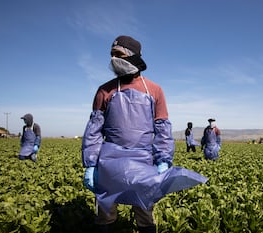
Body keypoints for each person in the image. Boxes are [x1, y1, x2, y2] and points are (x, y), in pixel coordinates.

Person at [81, 35, 207, 233]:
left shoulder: (155, 90)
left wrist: (163, 160)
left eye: (118, 54)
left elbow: (163, 129)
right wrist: (91, 164)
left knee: (145, 211)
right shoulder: (104, 91)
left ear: (133, 55)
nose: (113, 59)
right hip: (109, 162)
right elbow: (94, 131)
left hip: (143, 161)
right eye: (111, 55)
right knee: (105, 212)